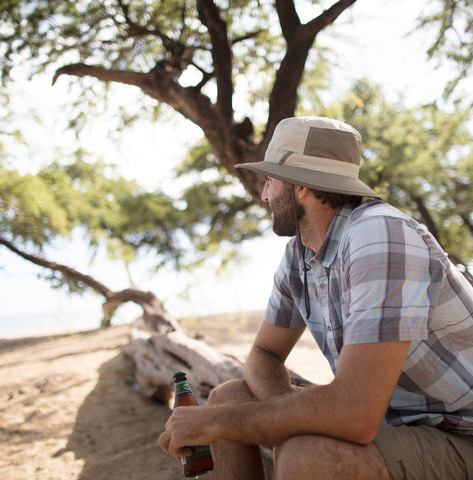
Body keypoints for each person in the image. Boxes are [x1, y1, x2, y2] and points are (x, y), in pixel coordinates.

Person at [158, 116, 473, 479]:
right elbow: (264, 354)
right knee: (230, 395)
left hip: (458, 432)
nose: (264, 195)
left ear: (301, 187)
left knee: (305, 456)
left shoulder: (379, 235)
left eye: (270, 181)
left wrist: (217, 423)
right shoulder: (300, 254)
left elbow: (355, 412)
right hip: (391, 423)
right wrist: (278, 412)